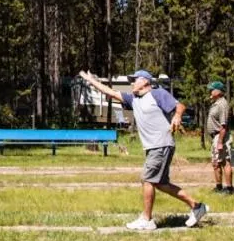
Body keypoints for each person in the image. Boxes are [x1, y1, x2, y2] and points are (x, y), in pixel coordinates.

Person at [79, 69, 208, 229]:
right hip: (153, 147)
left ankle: (147, 219)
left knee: (147, 180)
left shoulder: (157, 94)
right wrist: (92, 81)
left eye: (135, 79)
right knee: (161, 184)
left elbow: (179, 105)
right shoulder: (133, 99)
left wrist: (177, 116)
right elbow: (110, 92)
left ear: (146, 82)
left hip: (161, 144)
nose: (132, 82)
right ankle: (197, 207)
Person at [206, 81, 234, 194]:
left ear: (218, 92)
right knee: (216, 163)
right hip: (216, 137)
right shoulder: (216, 103)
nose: (210, 92)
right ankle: (218, 187)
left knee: (224, 162)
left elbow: (224, 125)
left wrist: (220, 142)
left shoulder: (222, 104)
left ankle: (229, 188)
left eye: (212, 90)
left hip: (221, 136)